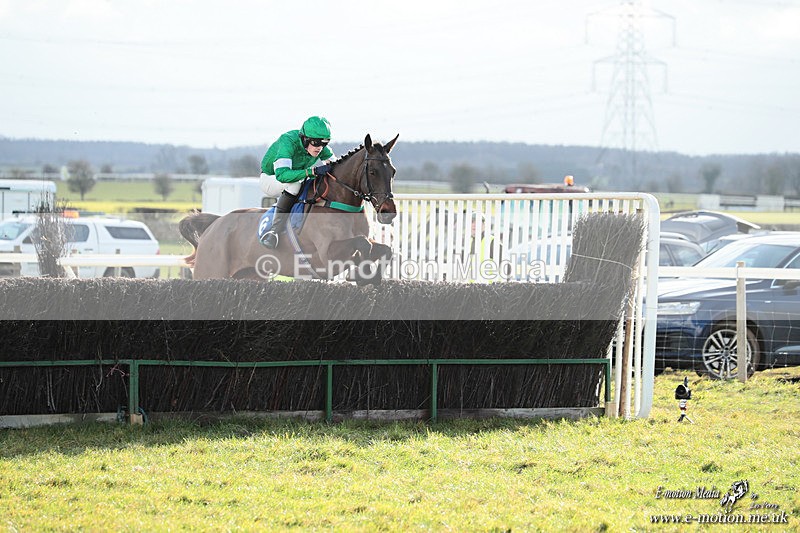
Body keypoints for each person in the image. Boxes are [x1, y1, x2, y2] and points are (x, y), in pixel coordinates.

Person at [258, 116, 336, 249]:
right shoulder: (287, 142)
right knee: (295, 184)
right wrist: (311, 171)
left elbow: (335, 167)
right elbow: (282, 175)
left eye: (325, 143)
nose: (320, 148)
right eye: (316, 143)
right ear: (305, 139)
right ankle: (274, 231)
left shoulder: (319, 148)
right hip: (271, 178)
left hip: (295, 177)